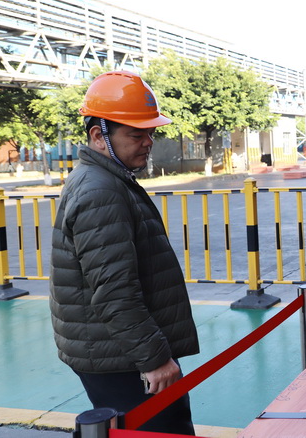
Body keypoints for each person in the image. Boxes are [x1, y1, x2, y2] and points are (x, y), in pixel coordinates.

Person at [50, 71, 199, 435]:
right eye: (136, 134)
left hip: (117, 348)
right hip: (123, 357)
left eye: (150, 132)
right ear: (98, 136)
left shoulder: (106, 180)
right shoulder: (100, 191)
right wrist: (155, 359)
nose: (149, 141)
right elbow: (114, 292)